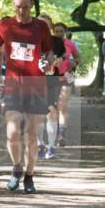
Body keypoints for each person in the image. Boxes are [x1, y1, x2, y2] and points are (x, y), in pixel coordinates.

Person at [0, 0, 54, 193]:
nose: (22, 11)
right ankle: (16, 169)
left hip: (36, 87)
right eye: (18, 7)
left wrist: (48, 63)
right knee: (12, 132)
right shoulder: (4, 26)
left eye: (26, 7)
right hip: (13, 86)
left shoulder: (41, 27)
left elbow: (49, 52)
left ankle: (29, 176)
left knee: (31, 135)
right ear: (14, 6)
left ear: (31, 6)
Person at [35, 14, 65, 160]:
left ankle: (51, 147)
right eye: (41, 24)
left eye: (46, 25)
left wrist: (59, 60)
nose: (43, 27)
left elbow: (64, 57)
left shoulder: (57, 41)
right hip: (33, 81)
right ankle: (40, 144)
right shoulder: (30, 40)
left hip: (51, 80)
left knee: (51, 110)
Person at [53, 22, 78, 148]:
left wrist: (74, 62)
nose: (58, 34)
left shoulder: (70, 44)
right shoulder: (49, 44)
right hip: (52, 78)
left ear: (65, 32)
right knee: (54, 108)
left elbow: (78, 58)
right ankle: (55, 130)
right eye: (56, 31)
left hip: (67, 76)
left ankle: (62, 135)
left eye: (61, 31)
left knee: (63, 106)